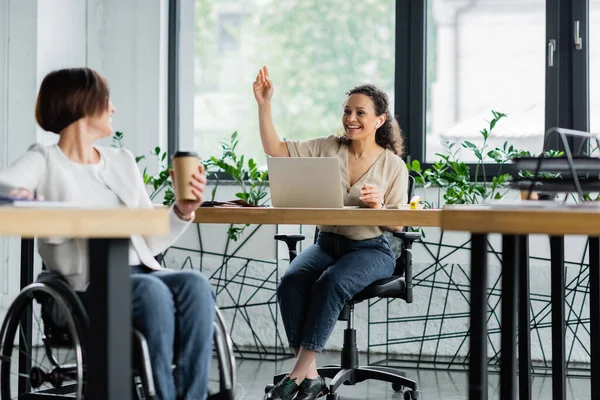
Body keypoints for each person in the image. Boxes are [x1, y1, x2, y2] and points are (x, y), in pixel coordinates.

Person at [0, 67, 214, 400]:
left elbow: (148, 238)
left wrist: (183, 209)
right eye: (106, 100)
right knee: (153, 294)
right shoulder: (45, 159)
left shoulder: (121, 160)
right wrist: (24, 198)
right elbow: (6, 185)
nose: (113, 108)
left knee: (195, 286)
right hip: (85, 286)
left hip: (140, 275)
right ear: (83, 103)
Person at [253, 66, 409, 400]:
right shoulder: (327, 147)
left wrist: (379, 208)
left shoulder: (392, 165)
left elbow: (399, 226)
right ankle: (309, 374)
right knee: (291, 281)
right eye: (347, 111)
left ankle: (296, 375)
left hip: (370, 250)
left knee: (331, 282)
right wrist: (264, 105)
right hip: (326, 244)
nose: (351, 118)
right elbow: (275, 150)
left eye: (360, 113)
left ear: (379, 120)